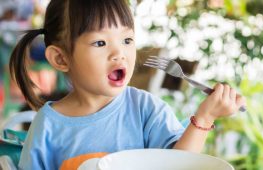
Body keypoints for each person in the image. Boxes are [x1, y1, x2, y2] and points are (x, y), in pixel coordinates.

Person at [9, 0, 246, 169]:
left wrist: (205, 118)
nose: (119, 53)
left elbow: (179, 164)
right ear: (61, 58)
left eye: (127, 40)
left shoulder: (145, 109)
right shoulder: (47, 126)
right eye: (100, 43)